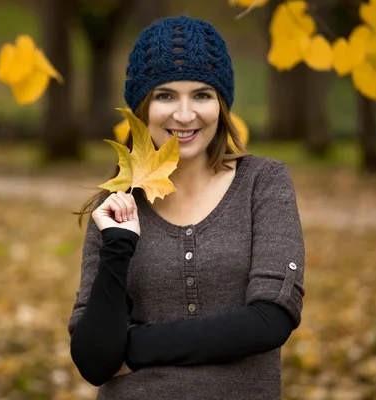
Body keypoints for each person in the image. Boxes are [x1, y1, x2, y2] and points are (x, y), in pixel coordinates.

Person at [68, 15, 305, 400]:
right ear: (141, 109)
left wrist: (134, 346)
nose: (183, 114)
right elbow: (94, 361)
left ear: (221, 104)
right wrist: (117, 247)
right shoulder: (115, 207)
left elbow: (270, 321)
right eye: (165, 95)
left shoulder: (263, 183)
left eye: (201, 95)